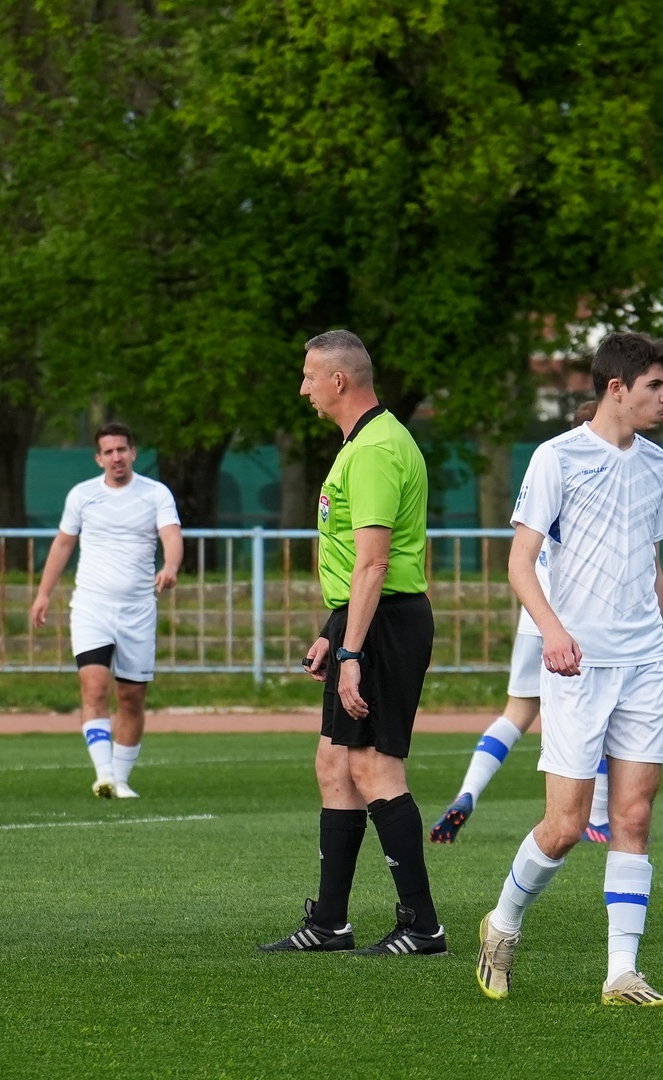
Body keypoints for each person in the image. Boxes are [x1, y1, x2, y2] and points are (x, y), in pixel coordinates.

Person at [476, 331, 663, 1007]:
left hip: (644, 662)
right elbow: (519, 562)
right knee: (564, 826)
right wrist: (554, 633)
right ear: (617, 388)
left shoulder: (657, 463)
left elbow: (652, 561)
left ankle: (622, 972)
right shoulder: (556, 457)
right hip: (577, 666)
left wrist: (658, 629)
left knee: (633, 817)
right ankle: (503, 924)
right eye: (655, 385)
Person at [260, 330, 442, 956]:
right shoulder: (363, 442)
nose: (303, 388)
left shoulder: (374, 450)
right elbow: (355, 567)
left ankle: (422, 925)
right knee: (334, 764)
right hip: (365, 618)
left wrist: (352, 654)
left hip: (384, 623)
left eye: (309, 376)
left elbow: (374, 563)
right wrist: (331, 631)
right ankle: (330, 922)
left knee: (372, 766)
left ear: (339, 380)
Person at [431, 400, 611, 845]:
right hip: (575, 618)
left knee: (516, 713)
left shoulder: (551, 467)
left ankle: (468, 791)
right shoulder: (607, 480)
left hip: (535, 616)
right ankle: (599, 818)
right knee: (600, 713)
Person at [28, 422, 183, 799]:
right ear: (99, 458)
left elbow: (171, 535)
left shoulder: (155, 493)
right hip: (91, 607)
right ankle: (105, 776)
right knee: (94, 688)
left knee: (131, 697)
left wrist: (170, 566)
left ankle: (122, 779)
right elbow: (63, 545)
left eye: (122, 449)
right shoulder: (82, 495)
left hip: (138, 610)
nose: (116, 457)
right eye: (109, 451)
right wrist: (43, 593)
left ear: (133, 453)